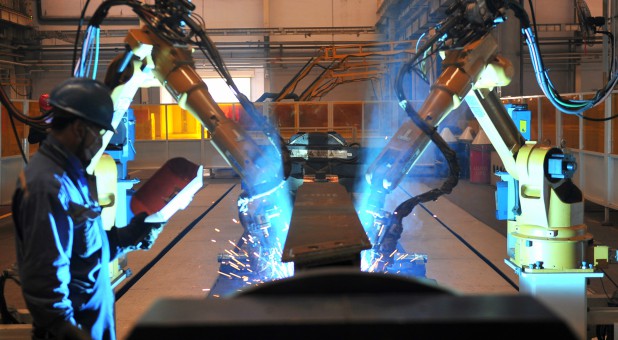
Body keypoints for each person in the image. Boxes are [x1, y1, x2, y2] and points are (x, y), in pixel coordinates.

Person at [11, 77, 164, 340]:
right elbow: (46, 285)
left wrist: (126, 238)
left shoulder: (72, 176)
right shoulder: (48, 187)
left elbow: (84, 254)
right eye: (100, 133)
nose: (100, 142)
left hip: (90, 325)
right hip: (75, 331)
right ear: (79, 129)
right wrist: (67, 331)